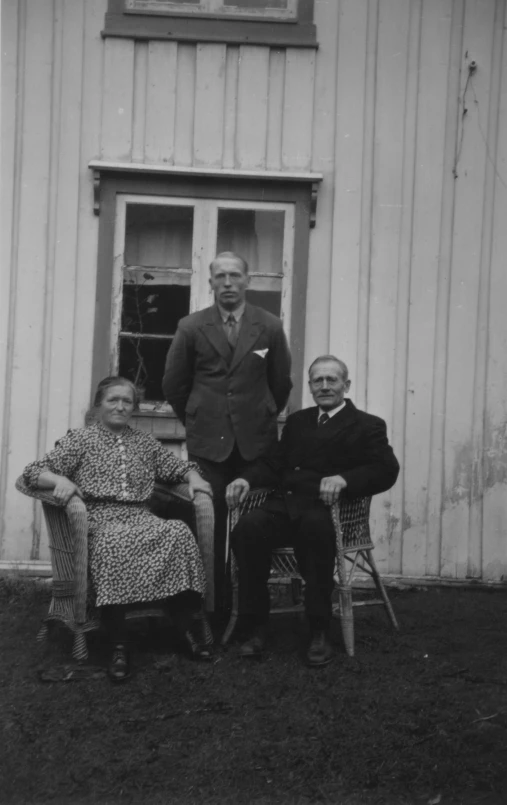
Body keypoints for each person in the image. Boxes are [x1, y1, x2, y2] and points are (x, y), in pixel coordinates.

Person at [22, 377, 213, 683]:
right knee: (114, 541)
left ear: (134, 408)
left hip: (140, 515)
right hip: (99, 517)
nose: (120, 406)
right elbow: (33, 472)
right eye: (113, 400)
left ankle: (183, 628)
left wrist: (194, 477)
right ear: (99, 404)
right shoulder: (80, 440)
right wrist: (59, 480)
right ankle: (119, 645)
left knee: (178, 532)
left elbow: (176, 467)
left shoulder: (145, 442)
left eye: (127, 401)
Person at [225, 355, 400, 667]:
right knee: (247, 529)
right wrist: (244, 479)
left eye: (332, 380)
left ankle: (319, 629)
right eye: (317, 380)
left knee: (315, 532)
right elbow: (273, 462)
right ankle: (256, 625)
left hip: (330, 511)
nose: (324, 386)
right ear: (309, 386)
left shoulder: (367, 425)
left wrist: (345, 479)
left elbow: (385, 469)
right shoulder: (298, 422)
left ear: (346, 385)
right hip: (284, 506)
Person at [162, 251, 292, 613]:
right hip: (209, 443)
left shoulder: (269, 325)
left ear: (248, 281)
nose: (228, 283)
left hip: (257, 443)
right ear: (210, 282)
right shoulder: (191, 326)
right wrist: (200, 419)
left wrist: (260, 413)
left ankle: (251, 611)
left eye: (235, 276)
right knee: (210, 523)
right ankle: (213, 610)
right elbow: (174, 385)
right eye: (220, 277)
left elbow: (281, 382)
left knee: (254, 524)